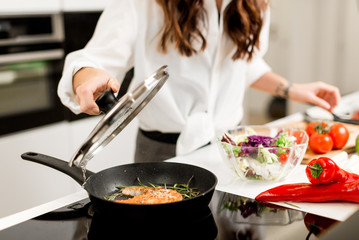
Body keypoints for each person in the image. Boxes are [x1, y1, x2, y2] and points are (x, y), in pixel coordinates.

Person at [58, 0, 340, 163]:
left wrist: (292, 89)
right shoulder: (141, 3)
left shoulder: (255, 5)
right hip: (161, 154)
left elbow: (244, 64)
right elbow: (94, 60)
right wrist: (86, 76)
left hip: (234, 150)